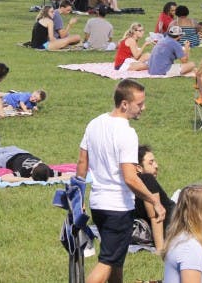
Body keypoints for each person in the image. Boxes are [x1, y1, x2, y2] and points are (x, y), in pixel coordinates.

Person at [77, 79, 165, 283]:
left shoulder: (95, 123)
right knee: (107, 262)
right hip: (117, 207)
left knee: (116, 259)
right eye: (140, 104)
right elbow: (130, 178)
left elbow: (82, 163)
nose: (144, 108)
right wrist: (155, 201)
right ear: (124, 104)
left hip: (97, 204)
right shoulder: (127, 133)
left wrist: (78, 197)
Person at [0, 131, 69, 183]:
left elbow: (5, 178)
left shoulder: (25, 171)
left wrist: (27, 179)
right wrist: (51, 178)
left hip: (7, 160)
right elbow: (70, 176)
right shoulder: (48, 170)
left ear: (31, 172)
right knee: (3, 149)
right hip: (22, 152)